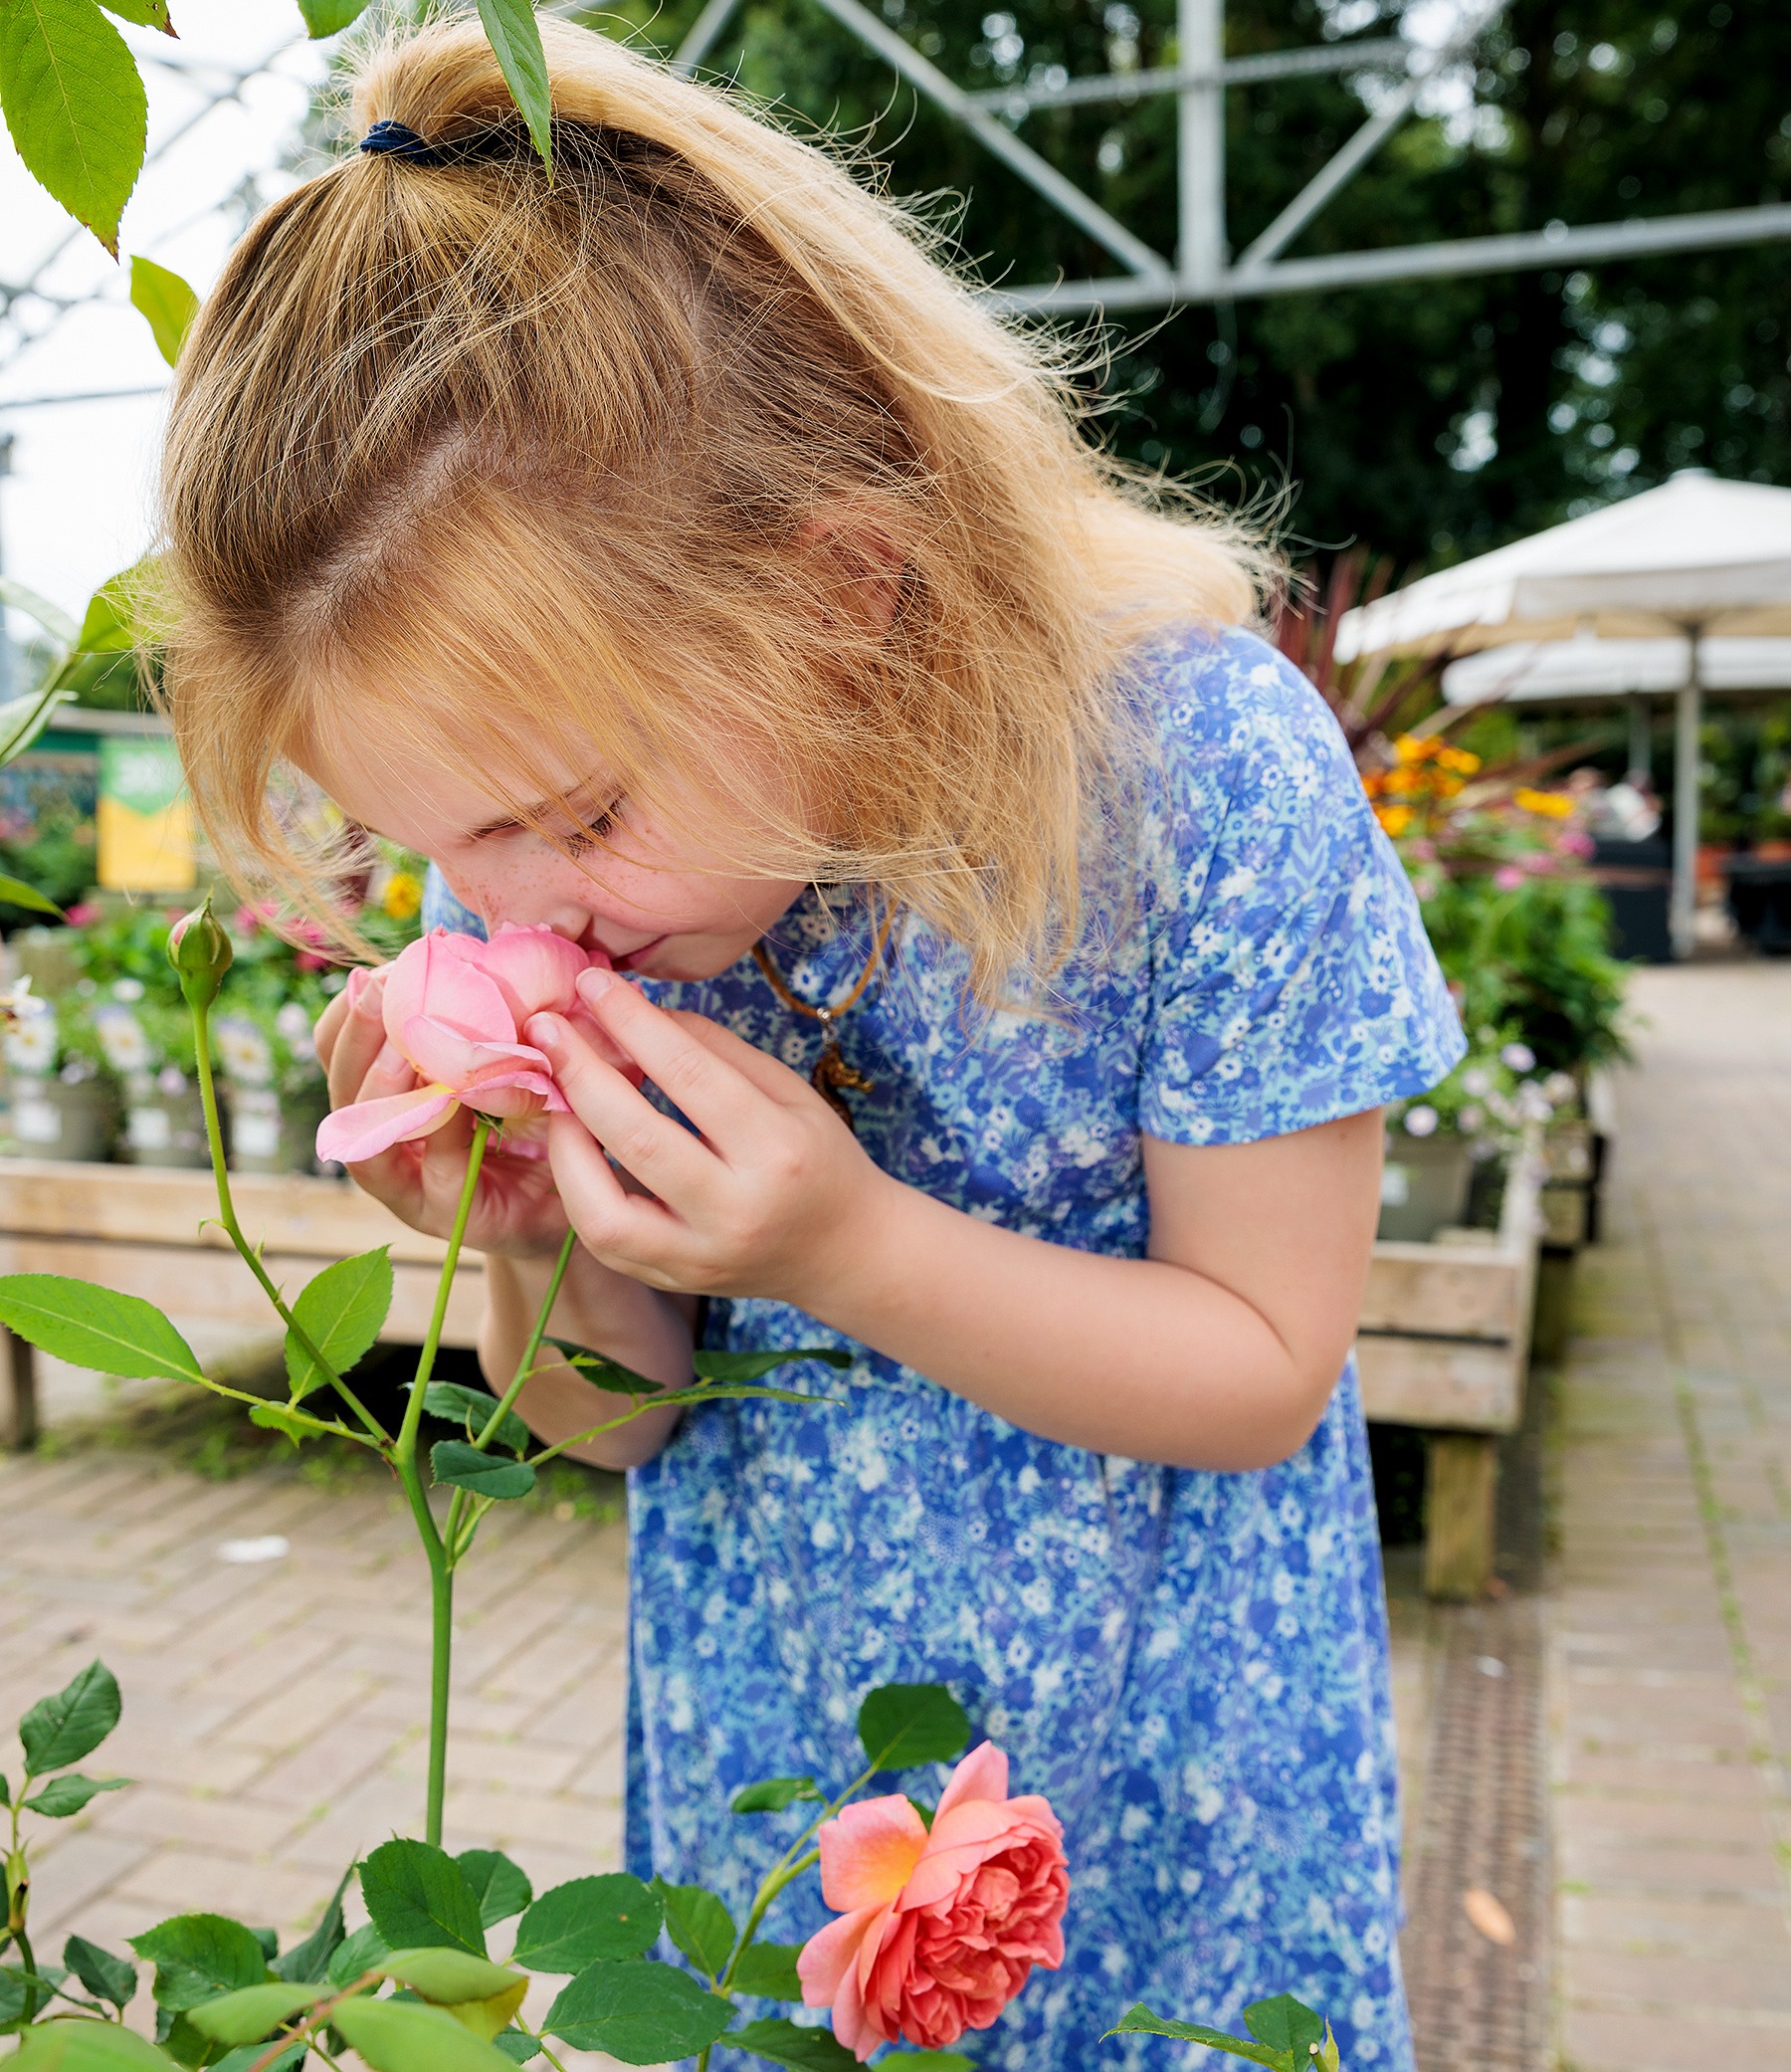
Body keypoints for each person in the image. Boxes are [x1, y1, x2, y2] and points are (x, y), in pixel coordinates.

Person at [154, 19, 1462, 2068]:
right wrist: (524, 1236)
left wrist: (847, 1253)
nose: (515, 914)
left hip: (1169, 1807)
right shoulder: (529, 863)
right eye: (442, 854)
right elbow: (611, 1423)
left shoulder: (1197, 770)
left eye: (575, 818)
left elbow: (1260, 1372)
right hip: (780, 1821)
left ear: (844, 592)